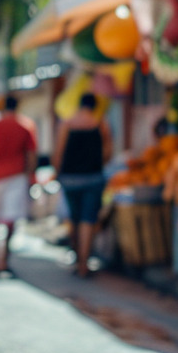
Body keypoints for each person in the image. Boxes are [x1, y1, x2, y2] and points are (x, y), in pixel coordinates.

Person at [53, 92, 112, 278]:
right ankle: (84, 265)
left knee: (75, 219)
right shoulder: (100, 123)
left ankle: (79, 259)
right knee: (88, 219)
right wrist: (98, 164)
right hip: (93, 178)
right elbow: (108, 150)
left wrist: (57, 173)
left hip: (70, 179)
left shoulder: (67, 124)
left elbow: (58, 152)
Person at [0, 94, 38, 275]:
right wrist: (31, 177)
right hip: (16, 177)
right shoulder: (26, 125)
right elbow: (32, 154)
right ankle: (4, 258)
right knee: (11, 218)